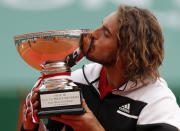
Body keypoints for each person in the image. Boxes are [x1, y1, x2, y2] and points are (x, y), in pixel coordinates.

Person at [21, 5, 180, 131]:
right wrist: (32, 126)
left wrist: (92, 128)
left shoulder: (158, 104)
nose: (93, 34)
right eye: (100, 26)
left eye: (106, 33)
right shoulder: (77, 80)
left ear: (126, 52)